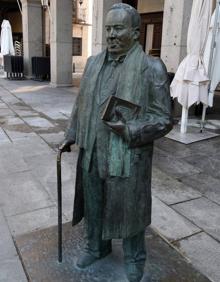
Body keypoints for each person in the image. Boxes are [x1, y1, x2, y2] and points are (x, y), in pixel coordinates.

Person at [60, 3, 172, 282]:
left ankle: (135, 257)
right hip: (92, 149)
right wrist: (71, 134)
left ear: (135, 33)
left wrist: (131, 129)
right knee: (94, 203)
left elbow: (163, 118)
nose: (111, 34)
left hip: (127, 154)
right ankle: (96, 246)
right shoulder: (94, 62)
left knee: (129, 209)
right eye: (108, 28)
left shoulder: (151, 67)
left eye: (118, 28)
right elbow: (81, 103)